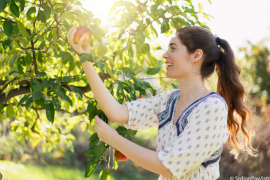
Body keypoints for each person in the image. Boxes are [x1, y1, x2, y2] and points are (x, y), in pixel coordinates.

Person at [67, 26, 258, 180]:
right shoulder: (169, 100)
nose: (165, 54)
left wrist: (115, 140)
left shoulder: (212, 108)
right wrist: (85, 58)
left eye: (173, 48)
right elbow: (116, 112)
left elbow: (168, 167)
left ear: (196, 56)